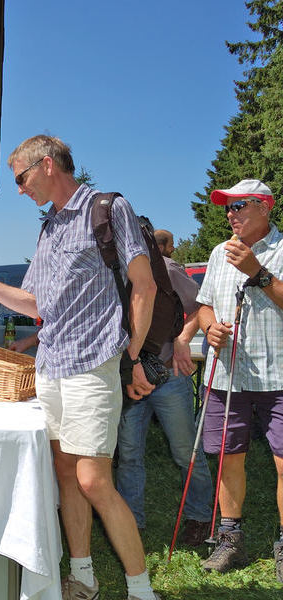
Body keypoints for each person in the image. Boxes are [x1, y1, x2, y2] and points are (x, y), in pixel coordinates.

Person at [0, 135, 160, 600]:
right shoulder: (48, 227)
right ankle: (83, 576)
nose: (19, 190)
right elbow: (36, 304)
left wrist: (133, 355)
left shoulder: (107, 207)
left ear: (46, 165)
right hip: (52, 366)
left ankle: (141, 590)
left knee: (92, 479)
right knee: (65, 474)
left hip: (92, 365)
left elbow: (144, 286)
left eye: (20, 178)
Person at [196, 179, 283, 581]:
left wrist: (257, 272)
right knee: (229, 457)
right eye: (227, 207)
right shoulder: (218, 252)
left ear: (266, 207)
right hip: (229, 376)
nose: (231, 213)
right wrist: (211, 328)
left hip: (279, 375)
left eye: (240, 205)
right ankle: (230, 537)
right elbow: (205, 307)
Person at [116, 226, 213, 546]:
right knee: (128, 454)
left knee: (185, 451)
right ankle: (131, 523)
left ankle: (200, 517)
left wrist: (183, 339)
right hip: (130, 377)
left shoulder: (168, 269)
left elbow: (201, 306)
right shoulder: (115, 271)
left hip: (168, 376)